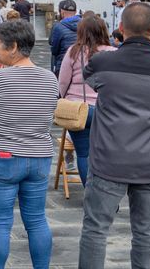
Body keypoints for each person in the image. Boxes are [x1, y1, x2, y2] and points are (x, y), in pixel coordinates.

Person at [78, 3, 150, 268]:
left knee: (96, 229)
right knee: (146, 231)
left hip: (109, 158)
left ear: (120, 29)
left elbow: (89, 79)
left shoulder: (103, 62)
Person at [0, 19, 56, 269]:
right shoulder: (50, 78)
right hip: (40, 156)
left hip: (3, 155)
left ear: (14, 47)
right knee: (37, 220)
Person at [57, 16, 115, 184]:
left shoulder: (74, 51)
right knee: (105, 153)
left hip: (79, 108)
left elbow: (63, 81)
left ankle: (90, 194)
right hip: (107, 108)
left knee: (84, 153)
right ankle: (107, 193)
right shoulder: (113, 52)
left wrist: (64, 97)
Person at [49, 0, 81, 76]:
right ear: (75, 11)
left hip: (63, 65)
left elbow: (54, 49)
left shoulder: (58, 26)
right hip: (81, 64)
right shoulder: (86, 24)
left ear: (61, 12)